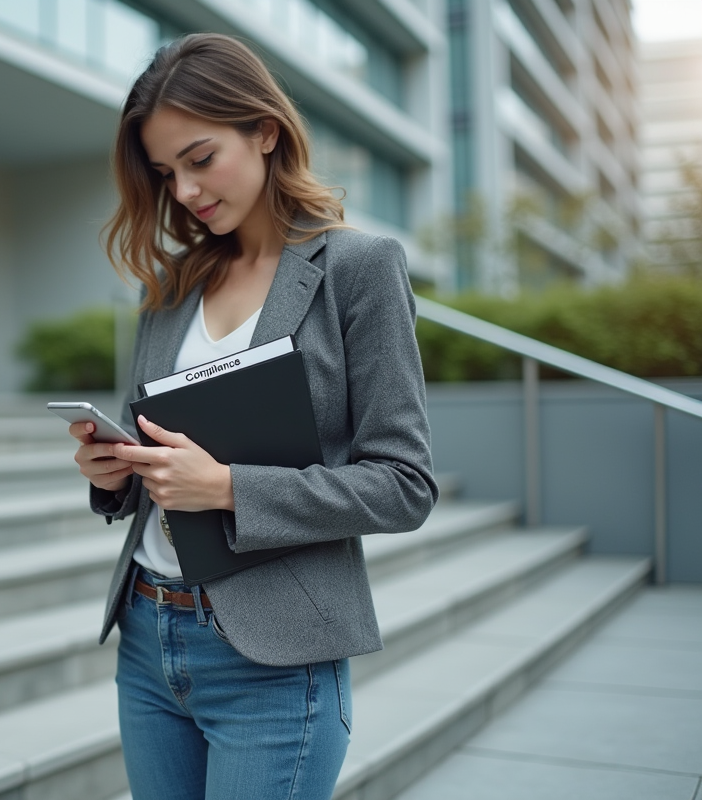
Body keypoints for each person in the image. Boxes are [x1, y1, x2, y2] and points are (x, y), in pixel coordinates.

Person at [64, 33, 439, 800]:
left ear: (265, 131)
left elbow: (404, 485)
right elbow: (164, 463)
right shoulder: (169, 287)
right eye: (167, 174)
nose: (186, 192)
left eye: (201, 159)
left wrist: (231, 487)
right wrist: (115, 473)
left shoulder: (357, 270)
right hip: (147, 634)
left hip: (273, 658)